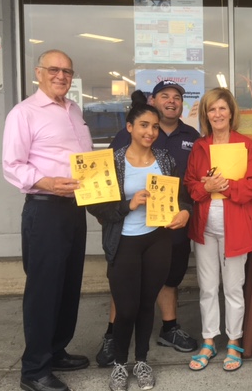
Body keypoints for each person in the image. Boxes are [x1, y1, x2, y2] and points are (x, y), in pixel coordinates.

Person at [87, 92, 192, 391]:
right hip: (124, 242)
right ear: (130, 128)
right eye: (144, 125)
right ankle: (120, 364)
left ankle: (142, 360)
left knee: (147, 303)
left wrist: (185, 212)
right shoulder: (112, 161)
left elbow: (181, 197)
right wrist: (127, 205)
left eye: (155, 127)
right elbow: (95, 206)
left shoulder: (165, 159)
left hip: (157, 240)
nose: (150, 132)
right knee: (127, 306)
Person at [2, 50, 92, 391]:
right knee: (43, 289)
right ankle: (34, 370)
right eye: (54, 69)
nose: (61, 76)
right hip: (45, 208)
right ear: (38, 73)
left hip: (74, 208)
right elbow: (13, 164)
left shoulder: (74, 110)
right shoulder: (24, 113)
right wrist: (48, 182)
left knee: (69, 284)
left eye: (67, 71)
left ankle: (56, 351)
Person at [183, 87, 252, 372]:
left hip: (237, 227)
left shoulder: (245, 145)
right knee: (206, 288)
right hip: (205, 227)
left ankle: (233, 341)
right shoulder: (199, 146)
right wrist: (205, 187)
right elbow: (190, 184)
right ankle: (208, 340)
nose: (217, 114)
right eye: (211, 109)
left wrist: (226, 186)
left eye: (221, 108)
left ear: (231, 113)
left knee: (232, 287)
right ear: (206, 115)